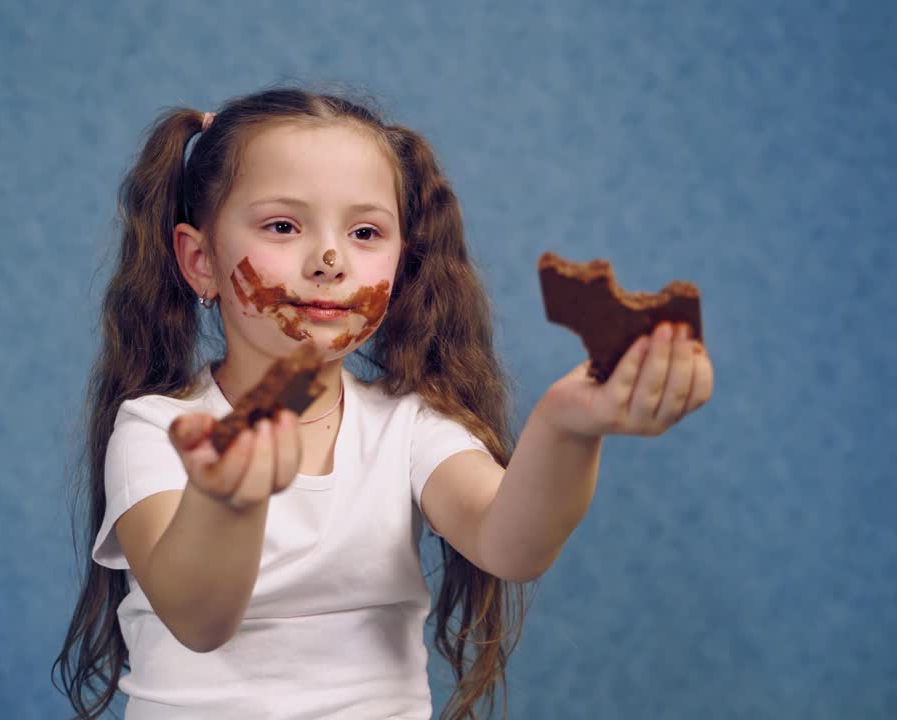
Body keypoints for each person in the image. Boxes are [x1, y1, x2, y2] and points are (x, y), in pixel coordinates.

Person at [53, 87, 714, 720]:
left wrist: (569, 424)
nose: (331, 257)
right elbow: (197, 617)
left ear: (402, 263)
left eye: (366, 233)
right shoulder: (157, 431)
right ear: (199, 261)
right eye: (284, 225)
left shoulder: (408, 426)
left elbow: (512, 544)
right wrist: (231, 496)